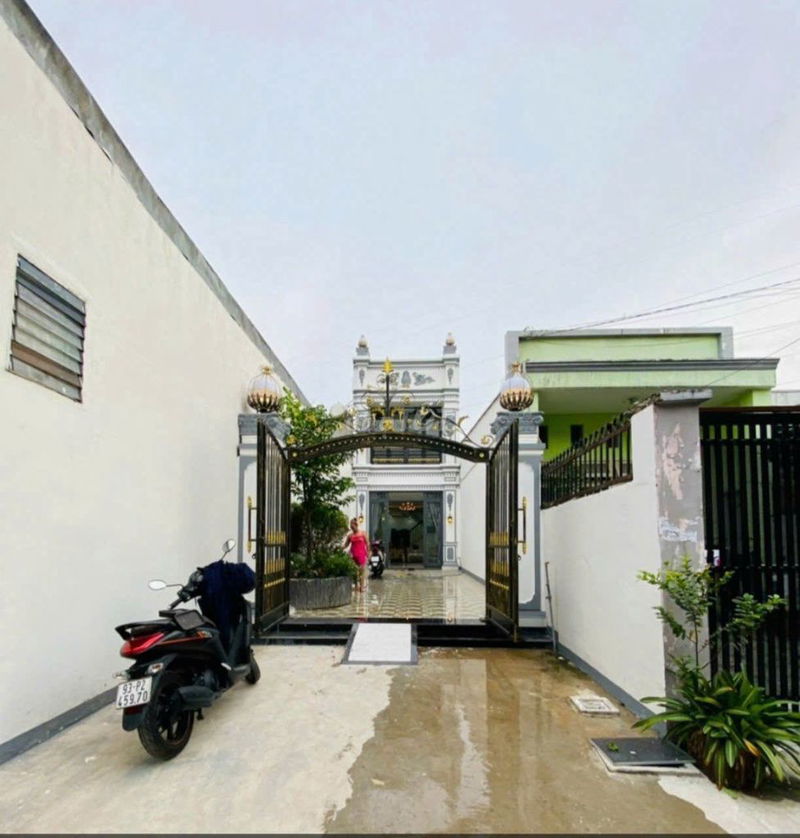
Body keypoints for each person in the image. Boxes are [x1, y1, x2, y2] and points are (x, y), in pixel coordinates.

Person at [342, 517, 369, 593]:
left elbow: (367, 543)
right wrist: (340, 548)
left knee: (361, 572)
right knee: (354, 572)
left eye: (352, 526)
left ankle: (361, 588)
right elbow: (346, 545)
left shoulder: (363, 534)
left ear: (356, 525)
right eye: (350, 526)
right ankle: (356, 586)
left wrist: (368, 553)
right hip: (353, 555)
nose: (351, 527)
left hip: (361, 555)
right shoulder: (350, 535)